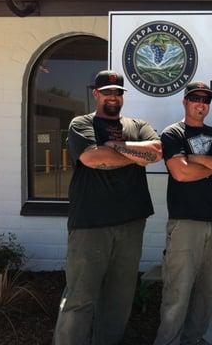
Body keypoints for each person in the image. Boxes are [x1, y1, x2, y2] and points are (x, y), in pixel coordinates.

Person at [54, 70, 162, 345]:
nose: (112, 97)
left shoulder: (137, 125)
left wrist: (115, 146)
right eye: (107, 92)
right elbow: (91, 158)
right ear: (96, 94)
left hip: (131, 221)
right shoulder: (81, 124)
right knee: (79, 297)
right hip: (90, 223)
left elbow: (155, 152)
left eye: (117, 92)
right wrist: (133, 154)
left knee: (120, 297)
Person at [154, 81, 212, 345]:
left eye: (205, 100)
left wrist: (199, 160)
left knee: (206, 290)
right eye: (195, 99)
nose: (200, 104)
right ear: (185, 102)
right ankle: (168, 341)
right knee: (177, 292)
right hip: (185, 222)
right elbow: (180, 173)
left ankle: (194, 339)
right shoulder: (173, 134)